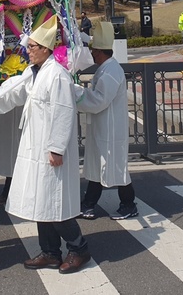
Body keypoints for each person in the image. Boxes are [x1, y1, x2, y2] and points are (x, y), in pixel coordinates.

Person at [0, 16, 91, 274]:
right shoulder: (32, 72)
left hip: (50, 149)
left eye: (32, 47)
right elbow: (10, 91)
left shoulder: (57, 75)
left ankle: (79, 248)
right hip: (34, 147)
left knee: (56, 202)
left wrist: (57, 148)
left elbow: (63, 112)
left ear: (46, 49)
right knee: (42, 202)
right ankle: (50, 252)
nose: (28, 51)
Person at [76, 22, 137, 221]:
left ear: (100, 52)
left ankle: (129, 204)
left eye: (94, 51)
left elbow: (98, 100)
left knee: (116, 170)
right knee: (97, 167)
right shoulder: (106, 68)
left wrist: (77, 94)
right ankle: (89, 204)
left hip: (111, 130)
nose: (92, 54)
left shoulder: (111, 71)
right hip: (103, 128)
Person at [0, 105, 22, 205]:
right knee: (10, 154)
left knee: (16, 152)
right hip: (6, 111)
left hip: (19, 113)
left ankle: (11, 192)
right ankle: (9, 191)